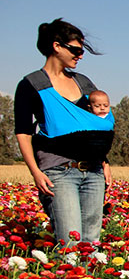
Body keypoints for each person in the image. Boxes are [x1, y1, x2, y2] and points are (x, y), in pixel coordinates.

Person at [14, 18, 114, 246]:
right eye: (76, 50)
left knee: (90, 242)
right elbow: (23, 132)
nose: (80, 56)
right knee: (69, 240)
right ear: (56, 46)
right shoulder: (31, 84)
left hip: (94, 172)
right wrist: (35, 172)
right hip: (58, 172)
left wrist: (105, 163)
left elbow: (95, 127)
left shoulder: (84, 83)